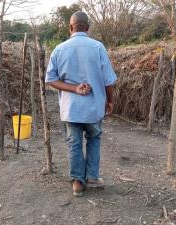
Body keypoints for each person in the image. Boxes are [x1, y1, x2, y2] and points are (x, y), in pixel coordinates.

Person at [46, 11, 117, 197]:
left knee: (74, 144)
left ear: (70, 27)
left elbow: (50, 80)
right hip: (94, 108)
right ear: (88, 27)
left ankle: (78, 182)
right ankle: (92, 177)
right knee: (94, 139)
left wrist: (73, 88)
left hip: (71, 109)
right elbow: (109, 80)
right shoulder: (98, 47)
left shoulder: (59, 49)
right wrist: (110, 101)